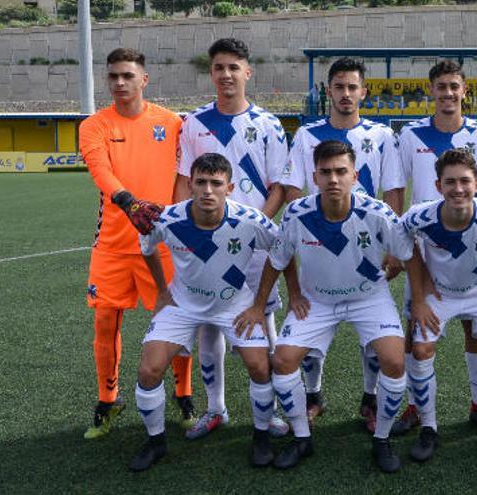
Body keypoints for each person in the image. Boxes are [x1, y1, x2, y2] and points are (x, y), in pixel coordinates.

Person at [236, 140, 413, 473]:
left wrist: (411, 289)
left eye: (341, 171)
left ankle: (382, 439)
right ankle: (302, 438)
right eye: (326, 172)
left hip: (367, 298)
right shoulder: (298, 212)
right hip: (317, 299)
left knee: (393, 359)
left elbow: (407, 255)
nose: (333, 179)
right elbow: (277, 259)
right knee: (284, 360)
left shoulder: (376, 213)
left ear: (354, 175)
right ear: (314, 177)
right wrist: (262, 305)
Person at [129, 153, 279, 471]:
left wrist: (258, 303)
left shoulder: (251, 220)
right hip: (182, 305)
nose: (208, 190)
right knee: (149, 370)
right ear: (190, 185)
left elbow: (282, 254)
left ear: (230, 187)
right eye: (201, 182)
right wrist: (162, 291)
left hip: (234, 305)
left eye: (216, 183)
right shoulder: (168, 219)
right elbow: (147, 246)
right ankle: (156, 443)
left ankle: (262, 437)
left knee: (260, 367)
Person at [174, 38, 289, 440]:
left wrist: (254, 227)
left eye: (233, 67)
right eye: (219, 67)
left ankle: (271, 410)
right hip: (204, 243)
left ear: (247, 72)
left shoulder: (269, 124)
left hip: (252, 246)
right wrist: (181, 234)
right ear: (212, 73)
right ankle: (216, 409)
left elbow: (278, 186)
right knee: (208, 327)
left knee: (263, 323)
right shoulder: (193, 122)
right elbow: (184, 182)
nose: (226, 74)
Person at [283, 57, 405, 430]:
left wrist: (390, 245)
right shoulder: (307, 135)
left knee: (373, 337)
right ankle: (313, 394)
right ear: (329, 91)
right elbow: (293, 189)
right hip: (321, 239)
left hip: (367, 244)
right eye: (339, 86)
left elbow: (394, 189)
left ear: (363, 92)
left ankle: (370, 399)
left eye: (353, 87)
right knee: (310, 332)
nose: (346, 94)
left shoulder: (382, 135)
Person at [79, 47, 194, 440]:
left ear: (144, 79)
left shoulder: (172, 122)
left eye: (128, 76)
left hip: (162, 244)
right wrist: (130, 203)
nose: (120, 83)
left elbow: (186, 172)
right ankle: (107, 400)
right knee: (105, 321)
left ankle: (184, 394)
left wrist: (177, 216)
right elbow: (101, 170)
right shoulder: (94, 125)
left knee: (175, 319)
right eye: (113, 76)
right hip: (112, 244)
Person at [390, 59, 477, 436]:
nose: (448, 93)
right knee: (416, 328)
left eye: (455, 86)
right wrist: (396, 244)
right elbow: (397, 189)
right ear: (432, 91)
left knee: (475, 330)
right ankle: (414, 405)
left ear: (464, 90)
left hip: (472, 247)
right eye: (442, 87)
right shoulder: (409, 135)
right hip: (424, 250)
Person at [402, 149, 477, 463]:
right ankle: (429, 428)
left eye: (465, 181)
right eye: (450, 182)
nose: (458, 189)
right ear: (438, 185)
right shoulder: (419, 215)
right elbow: (404, 241)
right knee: (422, 350)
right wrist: (421, 290)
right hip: (439, 294)